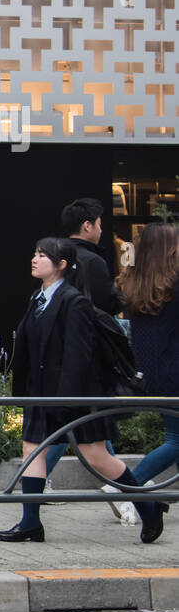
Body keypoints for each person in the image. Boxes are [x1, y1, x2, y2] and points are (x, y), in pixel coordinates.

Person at [0, 237, 163, 543]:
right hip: (41, 392)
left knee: (98, 457)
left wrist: (67, 398)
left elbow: (78, 355)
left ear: (61, 265)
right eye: (34, 253)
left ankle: (148, 505)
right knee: (32, 450)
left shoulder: (74, 302)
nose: (34, 259)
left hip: (73, 393)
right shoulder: (38, 298)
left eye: (42, 255)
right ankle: (30, 523)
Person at [43, 197, 126, 515]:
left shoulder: (53, 254)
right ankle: (124, 489)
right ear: (87, 225)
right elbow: (104, 308)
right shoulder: (93, 261)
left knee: (81, 424)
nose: (103, 229)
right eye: (100, 223)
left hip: (59, 352)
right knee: (84, 421)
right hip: (86, 354)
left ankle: (119, 488)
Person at [116, 222, 179, 544]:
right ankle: (129, 485)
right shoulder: (175, 282)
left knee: (176, 436)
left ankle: (134, 491)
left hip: (152, 373)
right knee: (176, 440)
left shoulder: (135, 281)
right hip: (175, 371)